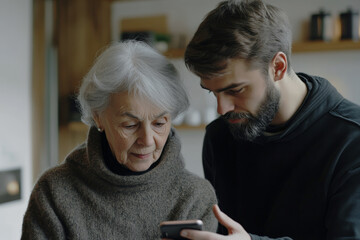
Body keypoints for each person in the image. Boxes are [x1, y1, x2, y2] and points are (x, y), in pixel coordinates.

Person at [180, 0, 360, 239]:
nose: (222, 109)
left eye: (235, 90)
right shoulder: (219, 136)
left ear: (277, 66)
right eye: (212, 91)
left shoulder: (352, 140)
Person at [21, 40, 218, 239]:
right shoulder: (54, 192)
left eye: (159, 123)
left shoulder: (195, 197)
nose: (147, 140)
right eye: (130, 125)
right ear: (98, 117)